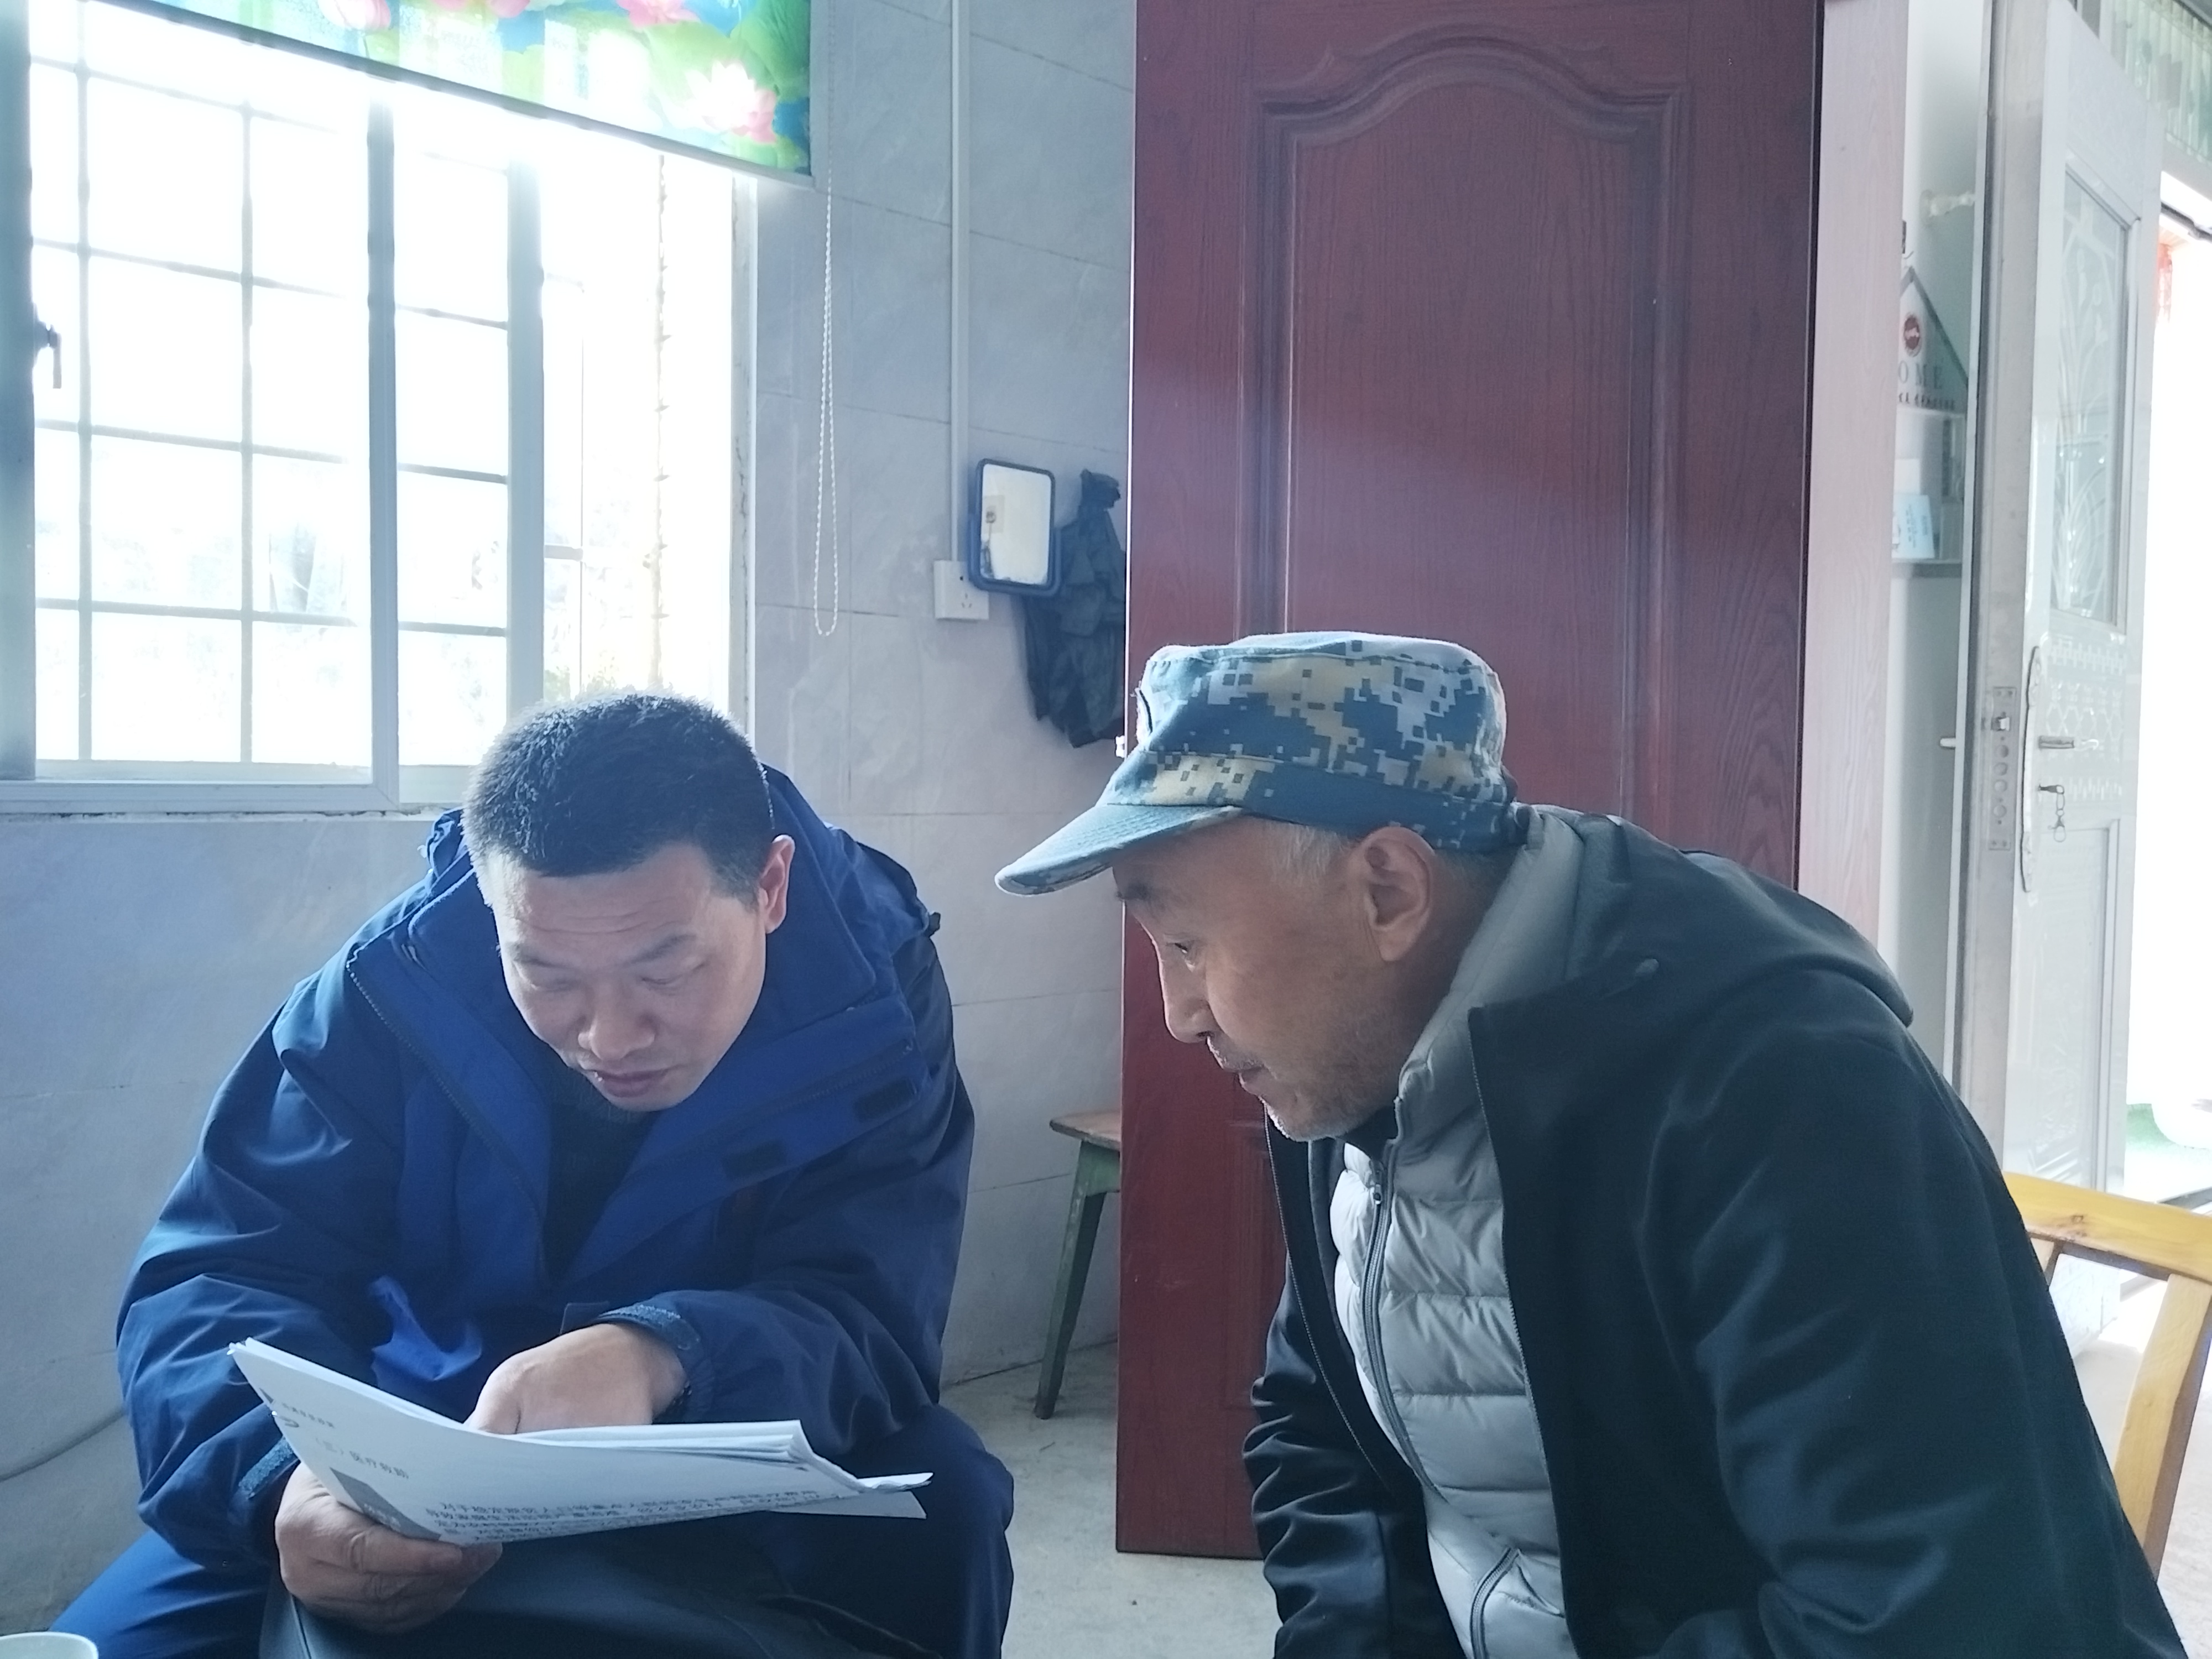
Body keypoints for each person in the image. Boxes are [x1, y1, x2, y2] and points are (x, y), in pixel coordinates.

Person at [995, 632, 2182, 1658]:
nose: (1179, 1015)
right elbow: (1319, 1432)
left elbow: (1923, 1617)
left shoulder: (1784, 1093)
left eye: (1189, 945)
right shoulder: (1353, 1050)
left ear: (1387, 891)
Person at [59, 693, 1013, 1659]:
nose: (610, 1037)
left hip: (731, 1425)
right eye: (548, 976)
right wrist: (282, 1481)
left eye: (666, 972)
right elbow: (220, 1270)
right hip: (418, 1439)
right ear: (490, 904)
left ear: (770, 887)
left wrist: (661, 1354)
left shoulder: (870, 995)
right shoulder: (392, 985)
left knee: (949, 1502)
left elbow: (873, 1307)